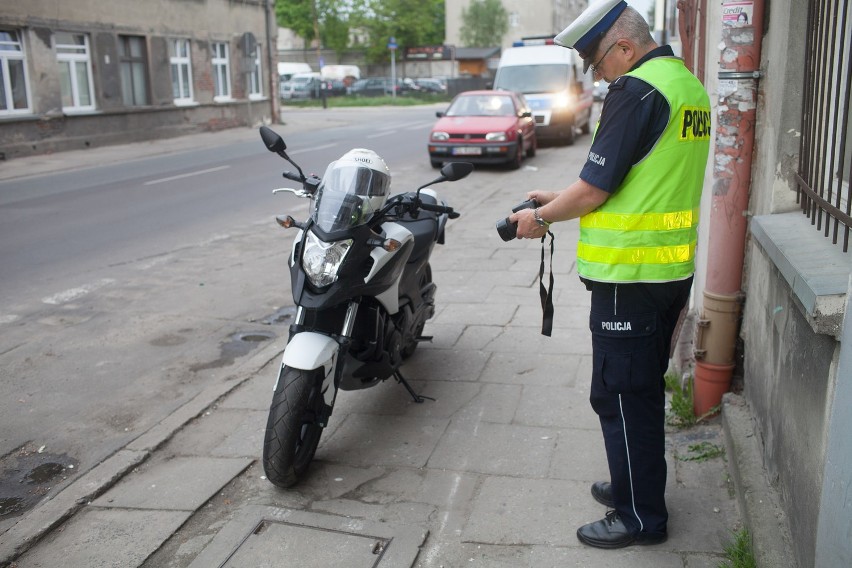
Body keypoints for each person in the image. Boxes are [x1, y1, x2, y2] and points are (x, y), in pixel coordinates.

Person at [509, 0, 712, 550]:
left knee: (621, 396)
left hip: (631, 277)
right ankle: (634, 483)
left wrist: (539, 217)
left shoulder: (637, 90)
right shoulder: (684, 85)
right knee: (637, 389)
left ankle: (640, 516)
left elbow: (597, 189)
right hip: (666, 271)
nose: (599, 77)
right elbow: (640, 178)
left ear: (624, 46)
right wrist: (559, 198)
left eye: (599, 63)